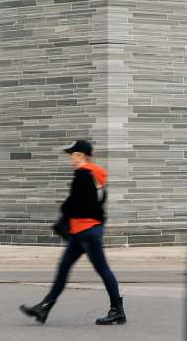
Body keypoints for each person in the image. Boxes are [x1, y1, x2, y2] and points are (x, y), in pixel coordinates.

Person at [19, 139, 126, 326]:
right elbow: (98, 201)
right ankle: (44, 307)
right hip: (81, 231)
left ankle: (117, 311)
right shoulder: (93, 176)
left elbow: (77, 204)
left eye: (72, 154)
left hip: (88, 231)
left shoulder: (83, 175)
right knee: (63, 269)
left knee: (103, 270)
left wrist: (66, 210)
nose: (70, 157)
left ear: (80, 155)